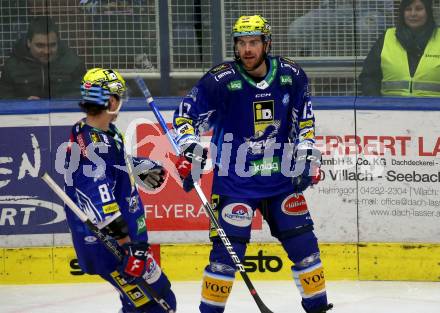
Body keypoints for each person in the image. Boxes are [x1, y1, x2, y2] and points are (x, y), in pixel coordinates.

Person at [172, 15, 333, 313]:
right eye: (242, 43)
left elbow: (305, 121)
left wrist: (307, 153)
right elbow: (184, 117)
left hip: (280, 180)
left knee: (306, 250)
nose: (247, 49)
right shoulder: (220, 80)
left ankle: (318, 308)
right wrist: (190, 146)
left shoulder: (291, 75)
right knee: (223, 259)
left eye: (254, 42)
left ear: (266, 43)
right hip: (235, 184)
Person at [63, 68, 176, 313]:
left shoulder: (95, 131)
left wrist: (133, 168)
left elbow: (106, 170)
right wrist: (128, 246)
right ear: (111, 101)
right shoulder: (94, 147)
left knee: (148, 301)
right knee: (156, 305)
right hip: (111, 245)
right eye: (119, 97)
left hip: (122, 240)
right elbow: (100, 200)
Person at [359, 0, 439, 96]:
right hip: (391, 108)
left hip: (433, 109)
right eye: (408, 9)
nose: (413, 14)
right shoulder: (387, 37)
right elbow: (369, 77)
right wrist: (377, 104)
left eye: (419, 9)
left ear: (428, 12)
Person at [0, 16, 85, 99]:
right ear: (29, 42)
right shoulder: (12, 66)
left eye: (52, 45)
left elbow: (82, 95)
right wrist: (23, 102)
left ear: (58, 42)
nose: (46, 51)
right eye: (40, 45)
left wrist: (56, 102)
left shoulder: (73, 63)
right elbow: (4, 98)